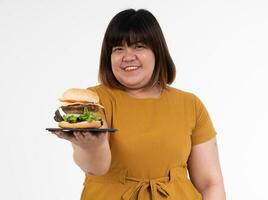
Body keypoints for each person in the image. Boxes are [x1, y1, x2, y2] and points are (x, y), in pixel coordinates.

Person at [53, 8, 226, 200]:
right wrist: (90, 146)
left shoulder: (190, 105)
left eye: (138, 46)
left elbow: (210, 183)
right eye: (118, 49)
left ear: (157, 51)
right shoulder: (95, 100)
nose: (128, 56)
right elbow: (96, 168)